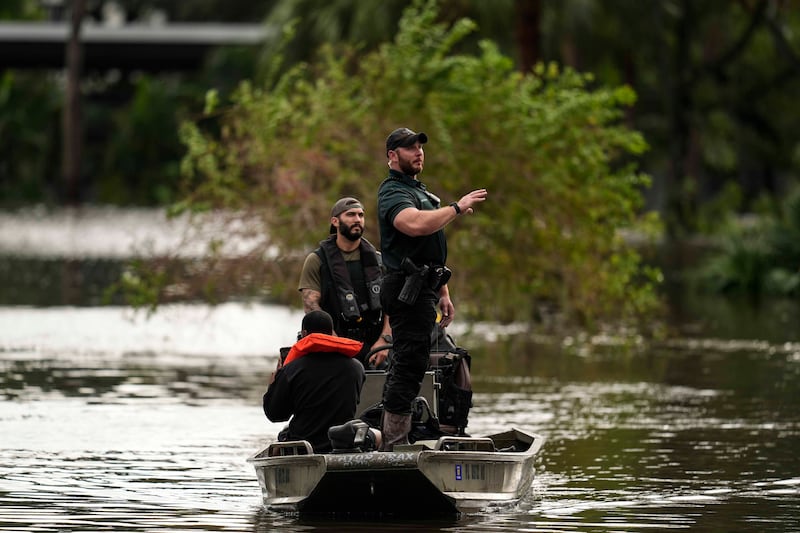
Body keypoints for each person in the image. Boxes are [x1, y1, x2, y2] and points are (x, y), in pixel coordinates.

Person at [376, 127, 487, 450]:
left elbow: (430, 249)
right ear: (393, 156)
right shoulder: (393, 192)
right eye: (410, 148)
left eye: (420, 147)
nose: (419, 152)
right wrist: (455, 208)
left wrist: (444, 293)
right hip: (404, 290)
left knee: (413, 361)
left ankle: (399, 436)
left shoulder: (418, 190)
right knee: (409, 365)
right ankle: (395, 443)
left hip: (425, 288)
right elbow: (413, 225)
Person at [298, 197, 393, 369]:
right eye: (350, 215)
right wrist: (335, 343)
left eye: (361, 215)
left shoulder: (379, 261)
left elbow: (392, 305)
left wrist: (385, 340)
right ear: (335, 221)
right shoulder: (317, 260)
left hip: (376, 345)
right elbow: (311, 306)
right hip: (332, 345)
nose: (357, 219)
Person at [262, 310, 366, 453]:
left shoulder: (291, 370)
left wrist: (273, 384)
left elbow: (275, 415)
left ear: (304, 334)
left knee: (280, 439)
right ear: (331, 334)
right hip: (341, 444)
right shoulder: (357, 368)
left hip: (303, 447)